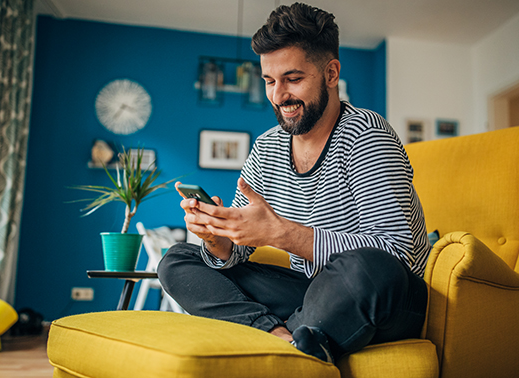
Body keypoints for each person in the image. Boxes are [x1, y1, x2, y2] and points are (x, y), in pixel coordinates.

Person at [158, 2, 430, 363]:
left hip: (385, 294)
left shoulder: (368, 135)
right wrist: (219, 238)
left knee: (367, 267)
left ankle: (294, 333)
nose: (278, 95)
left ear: (331, 73)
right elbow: (238, 250)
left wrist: (282, 234)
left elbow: (398, 255)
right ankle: (282, 337)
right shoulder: (268, 146)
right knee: (178, 260)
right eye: (269, 81)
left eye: (293, 79)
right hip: (312, 292)